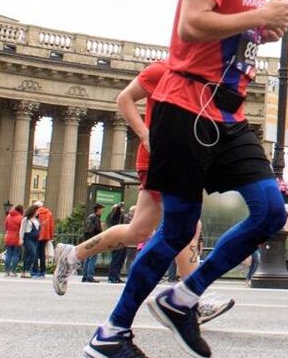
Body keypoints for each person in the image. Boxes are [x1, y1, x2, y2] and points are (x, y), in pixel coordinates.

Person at [82, 0, 288, 358]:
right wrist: (259, 15)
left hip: (228, 112)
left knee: (269, 212)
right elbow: (191, 25)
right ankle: (111, 333)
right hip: (187, 108)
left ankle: (184, 296)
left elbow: (227, 34)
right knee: (176, 228)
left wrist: (261, 29)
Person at [52, 65, 219, 311]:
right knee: (189, 225)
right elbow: (125, 97)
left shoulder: (205, 80)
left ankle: (72, 254)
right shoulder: (164, 70)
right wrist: (144, 134)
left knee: (138, 231)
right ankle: (191, 299)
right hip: (159, 161)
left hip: (180, 163)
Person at [2, 203, 24, 277]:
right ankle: (13, 271)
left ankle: (6, 271)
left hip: (8, 236)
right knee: (15, 255)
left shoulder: (8, 216)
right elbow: (22, 229)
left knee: (8, 254)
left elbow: (5, 226)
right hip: (17, 237)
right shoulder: (21, 218)